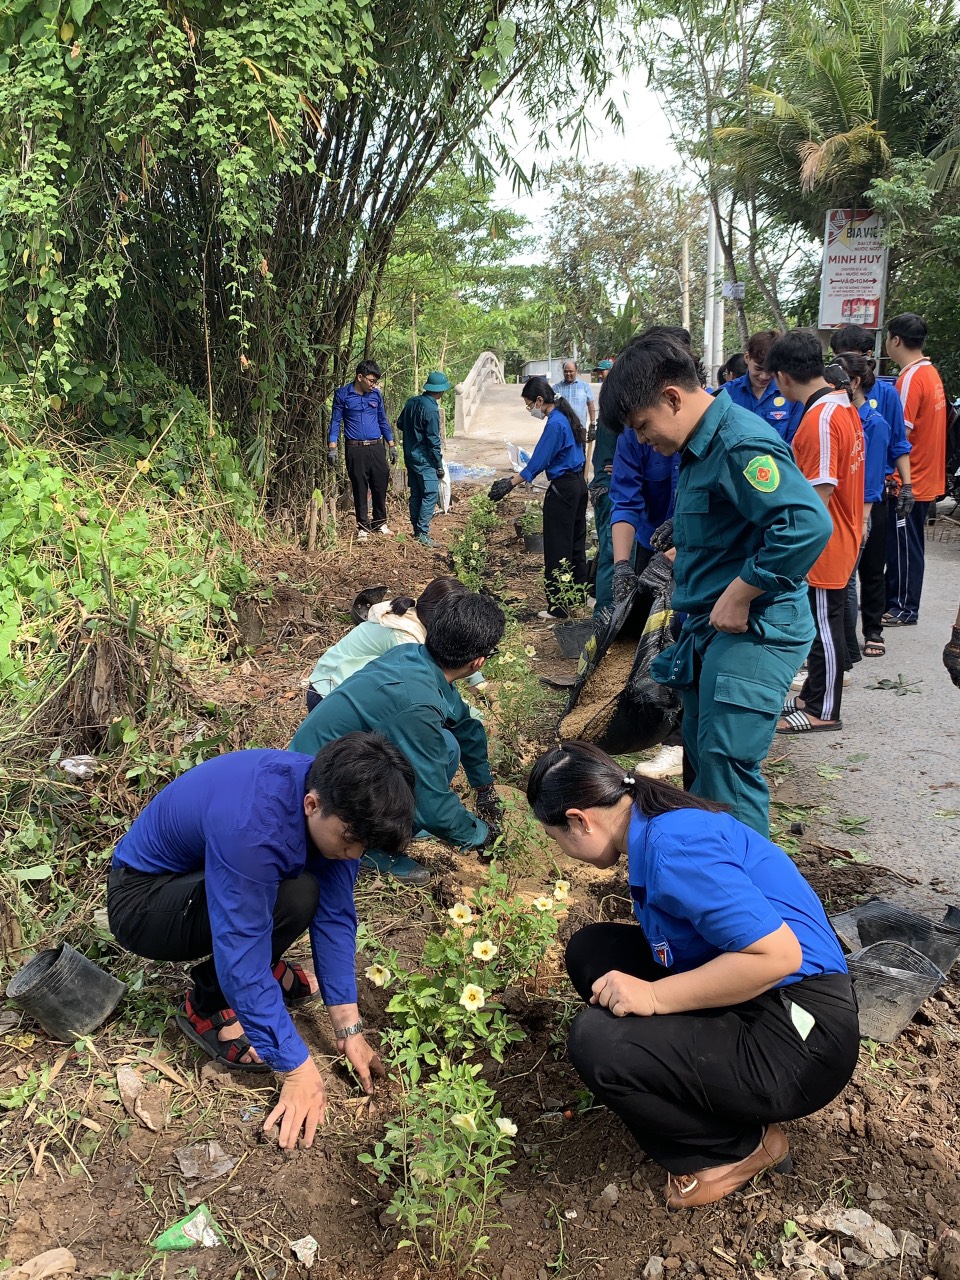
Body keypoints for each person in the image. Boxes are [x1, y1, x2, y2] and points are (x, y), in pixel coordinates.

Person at [527, 740, 859, 1209]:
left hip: (801, 1038)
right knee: (593, 951)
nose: (561, 850)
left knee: (597, 1041)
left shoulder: (673, 849)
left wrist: (655, 998)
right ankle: (688, 1088)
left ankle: (736, 1148)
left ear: (580, 820)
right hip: (764, 995)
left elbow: (777, 957)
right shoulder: (653, 824)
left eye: (555, 837)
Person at [107, 734, 416, 1149]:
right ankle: (207, 1007)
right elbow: (241, 957)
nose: (353, 853)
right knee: (293, 896)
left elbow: (337, 917)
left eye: (362, 846)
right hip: (143, 901)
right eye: (348, 841)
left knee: (309, 891)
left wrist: (349, 1028)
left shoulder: (335, 796)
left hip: (204, 879)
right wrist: (296, 1067)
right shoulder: (255, 825)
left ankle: (265, 972)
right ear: (312, 805)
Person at [600, 336, 831, 836]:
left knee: (726, 771)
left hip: (754, 629)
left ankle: (751, 902)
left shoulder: (737, 443)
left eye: (643, 426)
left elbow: (806, 524)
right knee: (701, 765)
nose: (642, 441)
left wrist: (740, 591)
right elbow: (730, 529)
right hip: (711, 631)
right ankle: (709, 878)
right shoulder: (697, 447)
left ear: (673, 397)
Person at [291, 593, 505, 885]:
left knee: (448, 743)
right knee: (431, 761)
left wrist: (484, 788)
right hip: (319, 784)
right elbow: (432, 803)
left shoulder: (416, 658)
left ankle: (401, 824)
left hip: (337, 759)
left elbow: (466, 728)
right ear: (478, 662)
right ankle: (370, 846)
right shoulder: (415, 701)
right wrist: (481, 835)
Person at [767, 331, 864, 734]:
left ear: (783, 376)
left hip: (827, 543)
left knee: (825, 628)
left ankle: (824, 710)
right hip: (843, 532)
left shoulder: (821, 419)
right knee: (825, 624)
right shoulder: (838, 404)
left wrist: (793, 547)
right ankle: (812, 694)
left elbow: (819, 494)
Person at [827, 352, 911, 660]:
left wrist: (862, 521)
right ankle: (844, 644)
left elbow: (873, 478)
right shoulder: (841, 415)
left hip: (865, 506)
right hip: (843, 504)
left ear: (855, 381)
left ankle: (859, 639)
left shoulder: (874, 423)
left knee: (864, 573)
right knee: (843, 579)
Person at [487, 377, 588, 621]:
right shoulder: (566, 418)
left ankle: (558, 607)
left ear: (540, 400)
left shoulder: (555, 423)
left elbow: (538, 461)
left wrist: (510, 483)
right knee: (575, 544)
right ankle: (577, 598)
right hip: (578, 486)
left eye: (529, 404)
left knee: (557, 547)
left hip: (562, 489)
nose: (529, 409)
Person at [305, 577, 471, 711]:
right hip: (328, 693)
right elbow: (422, 688)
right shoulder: (404, 638)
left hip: (338, 686)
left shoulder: (418, 611)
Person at [883, 313, 947, 626]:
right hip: (925, 474)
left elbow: (900, 435)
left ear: (895, 339)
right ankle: (896, 601)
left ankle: (904, 607)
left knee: (905, 547)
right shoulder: (931, 373)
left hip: (909, 479)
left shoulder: (910, 379)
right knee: (906, 544)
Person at [329, 359, 396, 541]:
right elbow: (335, 422)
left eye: (375, 381)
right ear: (360, 377)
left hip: (376, 446)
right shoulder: (343, 395)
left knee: (380, 484)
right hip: (355, 448)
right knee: (359, 486)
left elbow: (383, 420)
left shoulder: (375, 395)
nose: (373, 385)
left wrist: (391, 445)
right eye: (371, 380)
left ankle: (380, 522)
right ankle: (363, 527)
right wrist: (332, 447)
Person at [397, 371, 451, 547]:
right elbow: (433, 441)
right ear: (441, 391)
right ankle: (423, 533)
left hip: (409, 455)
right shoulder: (431, 410)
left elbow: (399, 423)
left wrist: (413, 432)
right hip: (424, 458)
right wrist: (438, 464)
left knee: (416, 493)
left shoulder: (411, 402)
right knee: (430, 492)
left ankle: (416, 529)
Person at [722, 330, 804, 443]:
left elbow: (795, 441)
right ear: (747, 357)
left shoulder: (792, 395)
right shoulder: (726, 393)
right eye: (758, 368)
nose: (764, 376)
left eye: (770, 370)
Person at [588, 360, 619, 614]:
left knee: (612, 551)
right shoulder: (615, 402)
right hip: (610, 488)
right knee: (612, 551)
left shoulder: (615, 399)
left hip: (610, 485)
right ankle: (606, 613)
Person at [552, 360, 597, 438]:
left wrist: (592, 424)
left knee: (580, 450)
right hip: (562, 428)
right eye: (566, 371)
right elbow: (551, 407)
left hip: (580, 428)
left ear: (576, 371)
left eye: (571, 371)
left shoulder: (585, 386)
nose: (568, 374)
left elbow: (591, 405)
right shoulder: (556, 388)